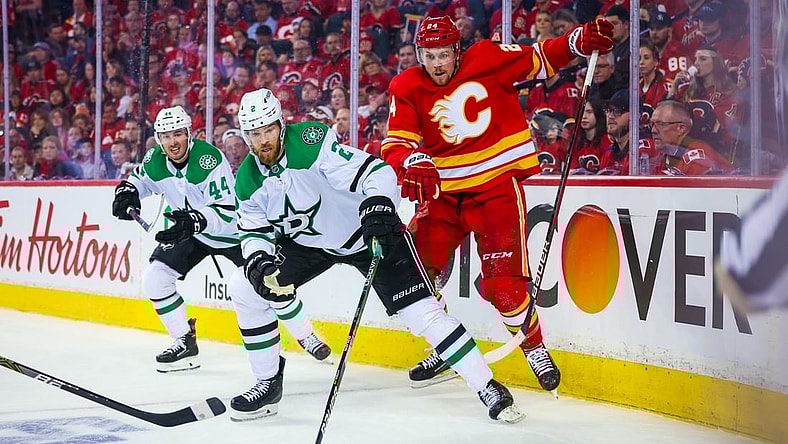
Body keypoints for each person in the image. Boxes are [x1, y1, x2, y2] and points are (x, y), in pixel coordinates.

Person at [228, 87, 525, 424]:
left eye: (268, 130)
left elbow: (378, 172)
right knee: (244, 286)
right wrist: (259, 260)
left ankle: (487, 385)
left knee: (421, 315)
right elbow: (252, 231)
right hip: (311, 244)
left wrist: (379, 207)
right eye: (254, 133)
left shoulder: (311, 145)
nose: (263, 140)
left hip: (367, 233)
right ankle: (267, 383)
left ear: (281, 125)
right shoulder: (246, 180)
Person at [380, 15, 614, 392]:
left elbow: (540, 57)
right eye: (428, 55)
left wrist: (576, 41)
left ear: (457, 51)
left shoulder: (486, 57)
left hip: (495, 190)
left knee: (505, 289)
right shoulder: (406, 85)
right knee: (417, 278)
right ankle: (446, 342)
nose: (436, 63)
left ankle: (533, 347)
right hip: (443, 197)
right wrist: (409, 160)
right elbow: (395, 144)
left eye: (443, 54)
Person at [110, 105, 330, 373]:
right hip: (191, 230)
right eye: (166, 136)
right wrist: (128, 192)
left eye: (178, 134)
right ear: (158, 139)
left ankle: (306, 335)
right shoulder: (153, 160)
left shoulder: (209, 159)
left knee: (269, 283)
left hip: (232, 232)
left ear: (189, 134)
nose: (173, 142)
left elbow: (226, 211)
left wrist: (195, 220)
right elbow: (140, 182)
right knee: (155, 279)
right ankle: (184, 341)